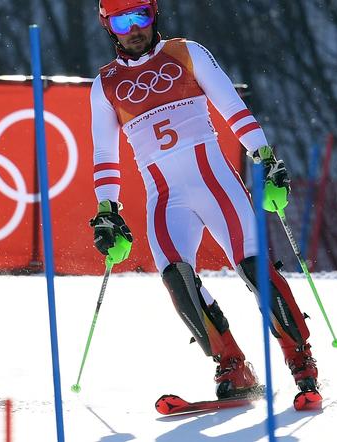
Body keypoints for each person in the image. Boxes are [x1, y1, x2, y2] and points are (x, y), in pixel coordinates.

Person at [88, 0, 322, 410]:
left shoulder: (186, 52)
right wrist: (108, 211)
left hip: (214, 184)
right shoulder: (104, 85)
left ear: (154, 14)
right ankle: (233, 366)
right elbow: (104, 155)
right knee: (176, 278)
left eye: (141, 16)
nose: (134, 29)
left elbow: (233, 108)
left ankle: (301, 363)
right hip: (164, 196)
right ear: (109, 26)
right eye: (123, 21)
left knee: (253, 269)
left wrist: (266, 158)